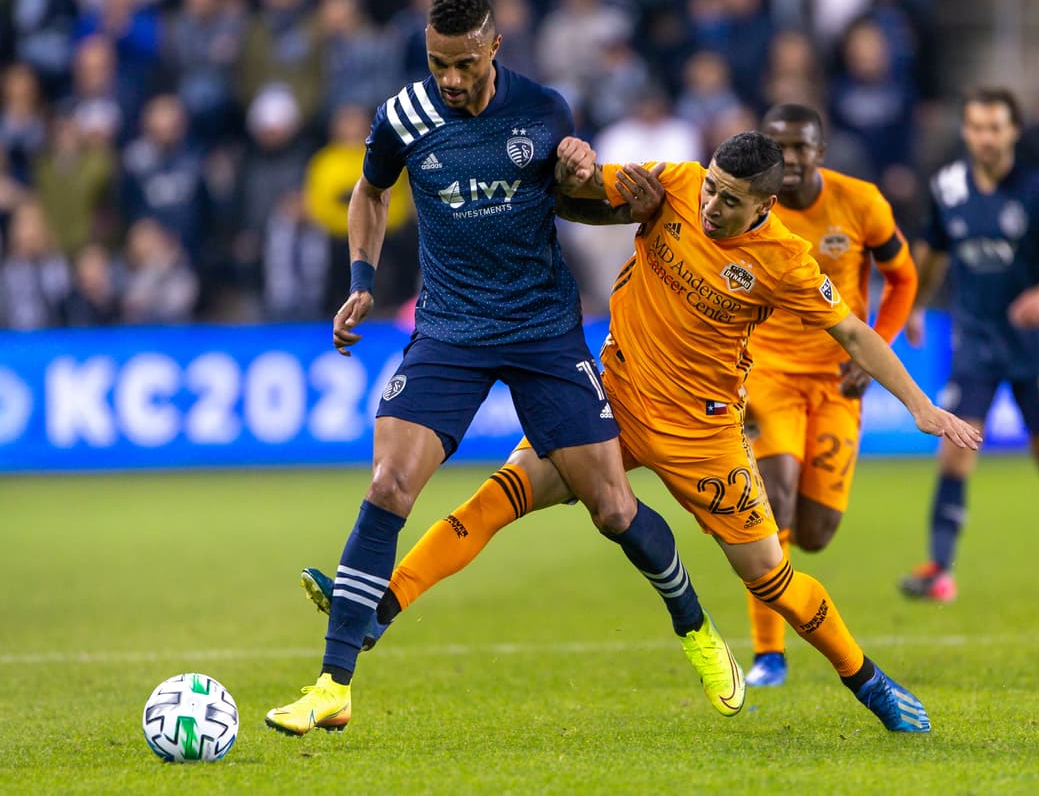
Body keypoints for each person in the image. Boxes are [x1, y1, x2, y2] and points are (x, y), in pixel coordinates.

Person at [303, 132, 983, 733]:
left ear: (764, 209)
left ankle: (867, 680)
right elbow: (579, 192)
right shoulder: (677, 184)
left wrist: (921, 406)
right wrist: (575, 162)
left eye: (731, 201)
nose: (712, 205)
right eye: (712, 189)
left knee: (771, 577)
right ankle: (376, 609)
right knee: (500, 495)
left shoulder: (787, 260)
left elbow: (854, 333)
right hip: (613, 404)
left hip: (704, 434)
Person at [265, 0, 741, 737]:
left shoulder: (543, 110)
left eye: (462, 64)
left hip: (543, 328)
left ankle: (697, 630)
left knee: (614, 508)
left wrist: (586, 177)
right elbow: (370, 192)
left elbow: (571, 200)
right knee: (389, 482)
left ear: (494, 46)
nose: (449, 80)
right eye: (435, 63)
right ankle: (332, 682)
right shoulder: (404, 116)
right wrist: (360, 282)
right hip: (451, 327)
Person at [740, 104, 918, 689]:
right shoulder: (747, 206)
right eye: (779, 148)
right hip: (767, 375)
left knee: (815, 532)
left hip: (837, 383)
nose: (789, 161)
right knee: (775, 500)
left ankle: (777, 634)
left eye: (800, 148)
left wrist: (877, 350)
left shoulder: (861, 202)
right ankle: (770, 653)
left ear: (821, 149)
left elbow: (903, 278)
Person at [899, 87, 1039, 603]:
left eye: (995, 127)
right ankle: (939, 569)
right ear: (966, 131)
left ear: (1013, 131)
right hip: (976, 340)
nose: (985, 137)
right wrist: (915, 303)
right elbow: (934, 251)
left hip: (1033, 344)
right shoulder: (947, 188)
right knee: (955, 449)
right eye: (977, 127)